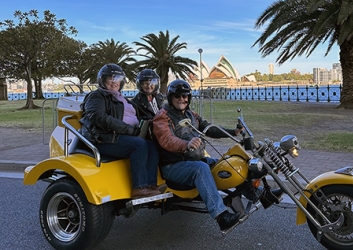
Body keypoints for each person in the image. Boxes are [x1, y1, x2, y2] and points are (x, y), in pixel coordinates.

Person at [152, 79, 243, 231]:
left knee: (225, 162)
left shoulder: (191, 114)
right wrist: (186, 144)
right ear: (170, 97)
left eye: (185, 96)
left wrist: (233, 132)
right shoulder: (162, 116)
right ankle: (221, 216)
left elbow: (209, 128)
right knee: (200, 168)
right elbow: (166, 140)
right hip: (173, 166)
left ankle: (256, 193)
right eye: (178, 96)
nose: (182, 99)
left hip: (193, 159)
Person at [80, 63, 161, 199]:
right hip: (104, 138)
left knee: (152, 146)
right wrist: (128, 129)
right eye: (110, 79)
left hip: (121, 136)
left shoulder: (120, 97)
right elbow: (98, 117)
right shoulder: (97, 96)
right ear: (102, 80)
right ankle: (139, 188)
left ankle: (151, 185)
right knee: (138, 145)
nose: (114, 82)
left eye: (117, 79)